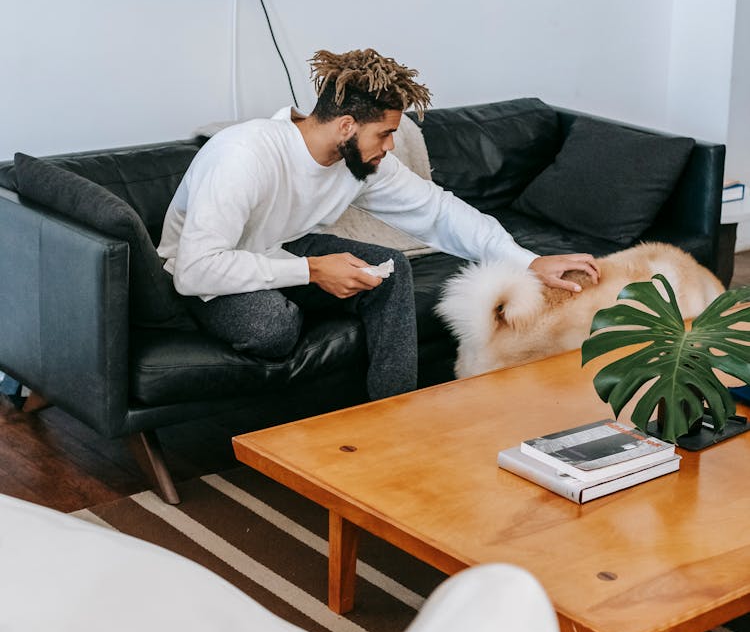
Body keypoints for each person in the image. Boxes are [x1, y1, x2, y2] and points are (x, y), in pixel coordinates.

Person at [158, 49, 599, 401]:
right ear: (347, 125)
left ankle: (394, 412)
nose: (390, 146)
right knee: (273, 329)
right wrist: (313, 272)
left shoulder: (360, 163)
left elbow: (439, 212)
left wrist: (528, 262)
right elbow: (195, 268)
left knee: (388, 270)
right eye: (385, 134)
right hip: (205, 273)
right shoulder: (244, 155)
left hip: (281, 249)